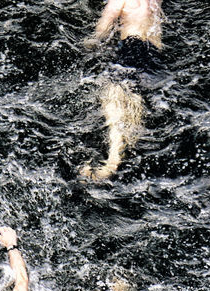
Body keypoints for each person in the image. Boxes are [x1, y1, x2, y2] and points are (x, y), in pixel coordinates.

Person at [79, 0, 163, 181]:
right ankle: (121, 152)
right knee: (136, 97)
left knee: (114, 94)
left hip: (132, 49)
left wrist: (90, 44)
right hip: (155, 57)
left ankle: (112, 162)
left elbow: (102, 30)